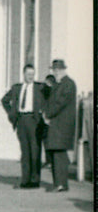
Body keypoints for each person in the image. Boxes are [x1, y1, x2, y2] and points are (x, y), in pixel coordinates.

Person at [1, 64, 46, 188]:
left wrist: (44, 114)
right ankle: (25, 180)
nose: (31, 76)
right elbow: (4, 100)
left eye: (32, 74)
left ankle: (35, 180)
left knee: (35, 151)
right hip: (21, 121)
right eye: (28, 74)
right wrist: (11, 113)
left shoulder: (40, 87)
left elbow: (50, 97)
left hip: (34, 121)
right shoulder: (17, 88)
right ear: (24, 74)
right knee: (25, 152)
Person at [42, 58, 77, 191]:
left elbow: (60, 103)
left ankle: (61, 184)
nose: (55, 72)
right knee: (56, 154)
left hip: (62, 126)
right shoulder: (59, 84)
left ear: (63, 70)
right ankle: (59, 184)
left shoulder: (68, 84)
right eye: (53, 70)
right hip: (57, 125)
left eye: (57, 70)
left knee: (59, 154)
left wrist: (47, 114)